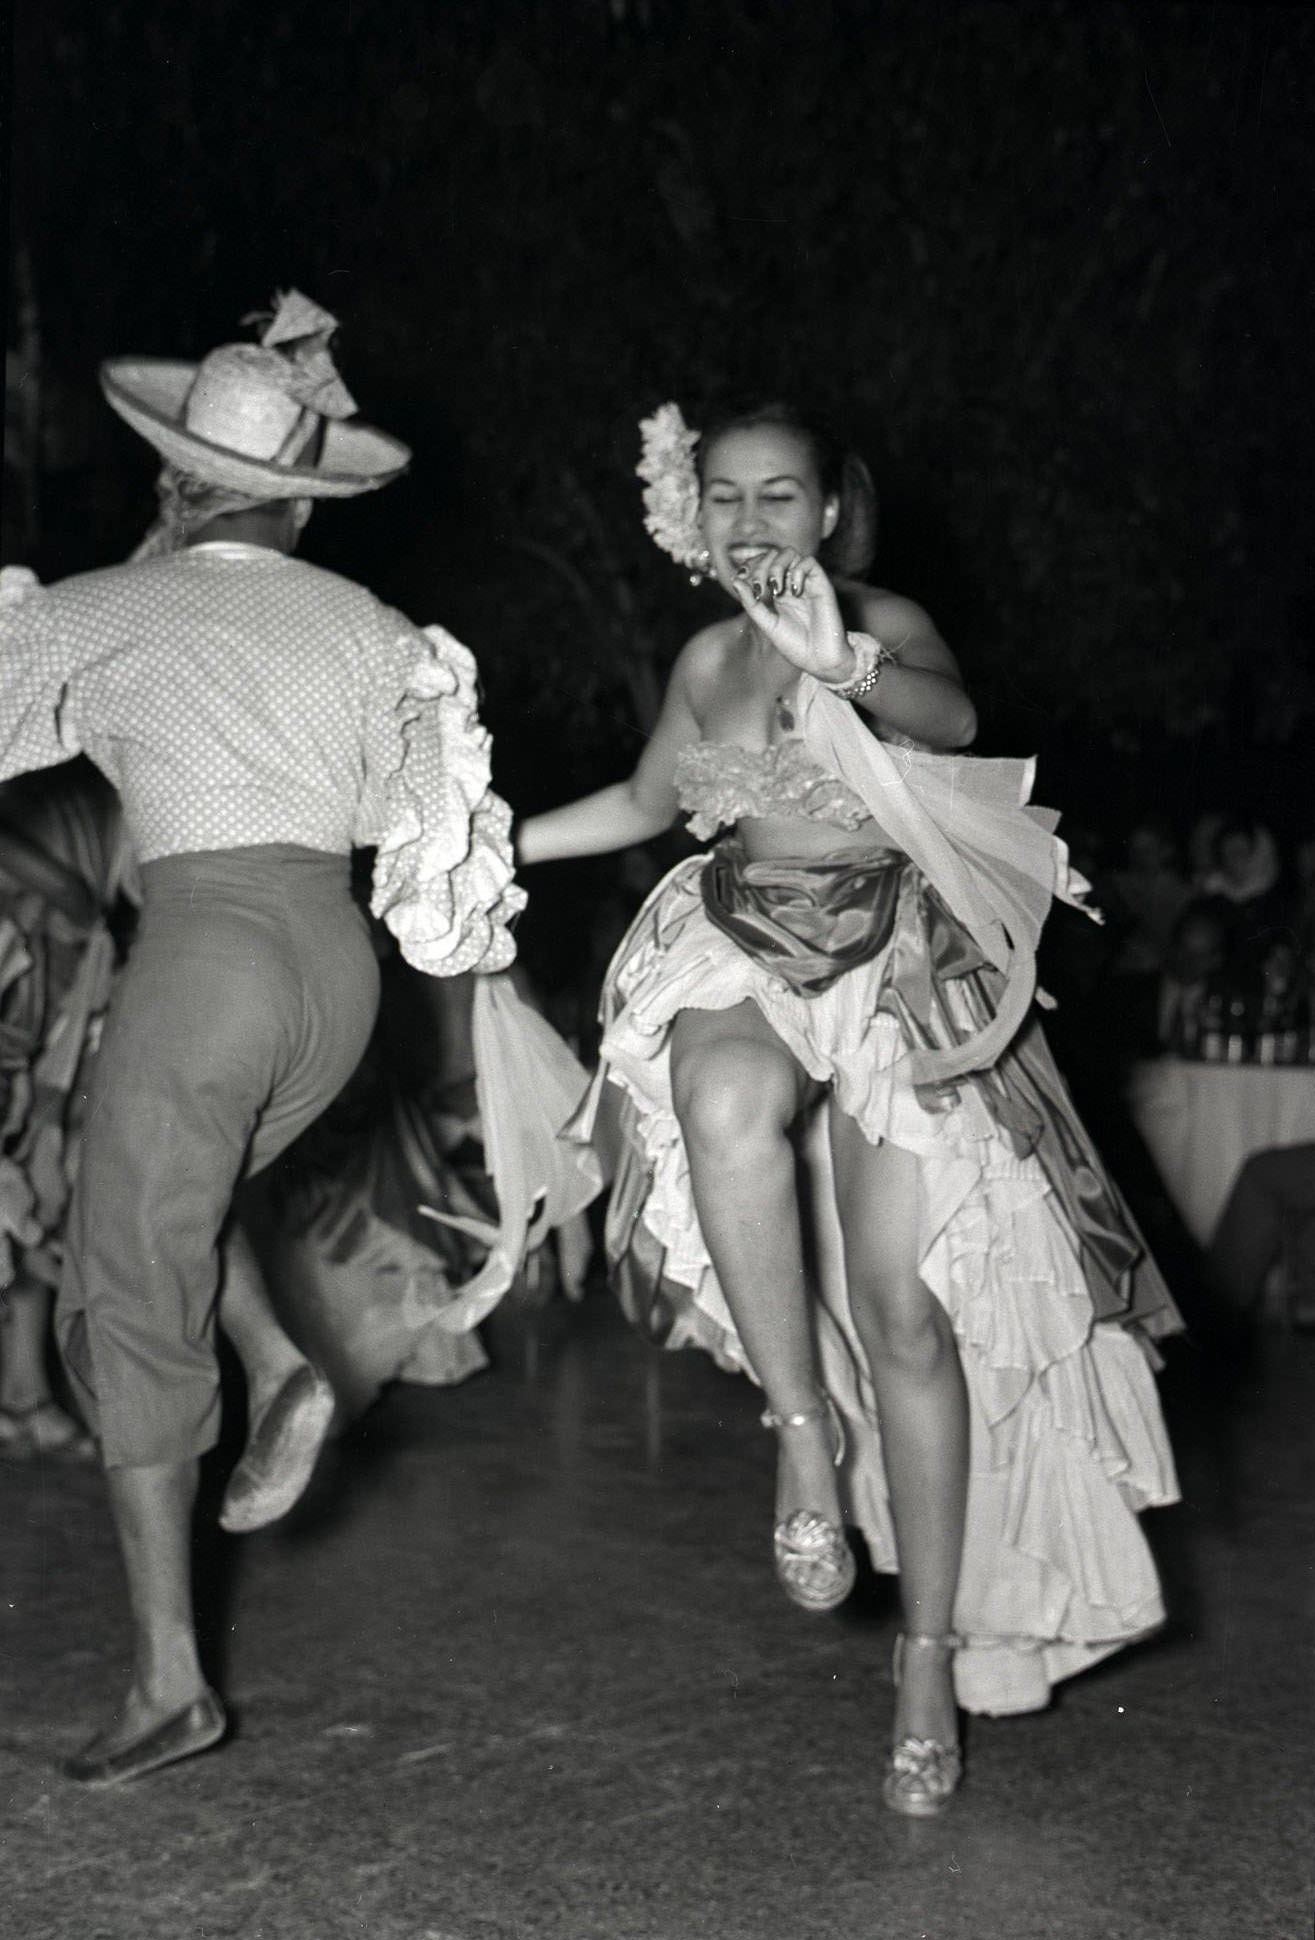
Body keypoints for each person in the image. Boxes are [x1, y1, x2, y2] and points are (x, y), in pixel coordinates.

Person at [517, 400, 1181, 1817]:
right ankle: (802, 1438)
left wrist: (849, 661)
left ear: (825, 513)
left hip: (898, 957)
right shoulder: (702, 658)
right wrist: (477, 839)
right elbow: (645, 800)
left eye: (778, 496)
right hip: (749, 935)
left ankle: (926, 1658)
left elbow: (951, 713)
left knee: (904, 1315)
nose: (750, 522)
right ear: (691, 516)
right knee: (715, 1096)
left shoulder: (887, 619)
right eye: (724, 497)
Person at [0, 292, 543, 1787]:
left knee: (126, 1278)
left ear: (180, 476)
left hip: (208, 958)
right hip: (336, 970)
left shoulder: (119, 603)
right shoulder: (370, 628)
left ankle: (171, 1679)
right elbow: (408, 824)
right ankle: (272, 1354)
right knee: (195, 1201)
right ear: (301, 499)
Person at [0, 764, 131, 1459]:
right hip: (36, 974)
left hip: (44, 1004)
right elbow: (71, 898)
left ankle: (24, 1396)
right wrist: (64, 892)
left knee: (33, 1204)